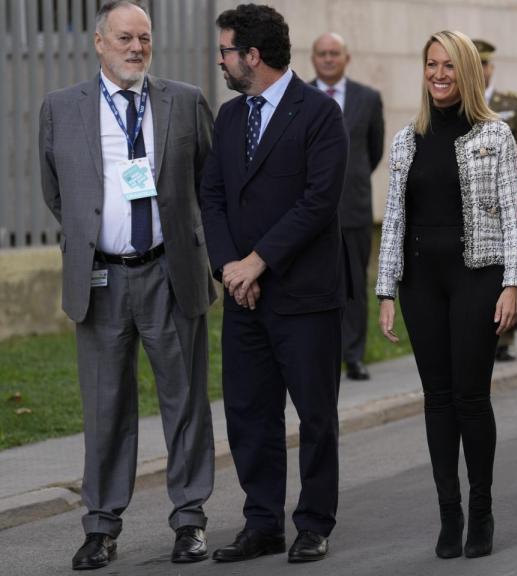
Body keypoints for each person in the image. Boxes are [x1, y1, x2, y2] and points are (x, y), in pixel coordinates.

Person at [39, 1, 216, 569]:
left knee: (185, 402)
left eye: (144, 37)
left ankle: (189, 520)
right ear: (99, 42)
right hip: (101, 279)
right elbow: (55, 191)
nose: (136, 48)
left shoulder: (185, 101)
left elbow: (209, 183)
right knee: (105, 406)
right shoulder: (60, 107)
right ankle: (100, 526)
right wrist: (97, 237)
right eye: (124, 38)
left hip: (172, 273)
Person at [200, 4, 349, 564]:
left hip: (304, 296)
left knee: (315, 416)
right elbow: (212, 197)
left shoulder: (319, 113)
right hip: (244, 297)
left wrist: (257, 262)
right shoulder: (229, 117)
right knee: (248, 415)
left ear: (252, 56)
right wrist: (229, 267)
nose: (221, 61)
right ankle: (262, 523)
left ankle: (313, 522)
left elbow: (318, 202)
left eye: (225, 51)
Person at [376, 29, 517, 560]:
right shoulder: (406, 139)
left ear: (466, 71)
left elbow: (515, 214)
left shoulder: (496, 134)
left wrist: (513, 283)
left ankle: (481, 510)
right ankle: (450, 513)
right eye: (431, 65)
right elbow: (394, 219)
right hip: (421, 282)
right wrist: (386, 290)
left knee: (471, 397)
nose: (439, 75)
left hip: (476, 276)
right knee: (437, 398)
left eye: (448, 66)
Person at [311, 32, 385, 381]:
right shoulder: (300, 96)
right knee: (315, 284)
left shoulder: (368, 99)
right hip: (310, 210)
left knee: (354, 283)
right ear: (313, 58)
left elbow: (374, 151)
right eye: (322, 53)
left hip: (353, 207)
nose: (328, 59)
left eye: (334, 53)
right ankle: (320, 355)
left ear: (346, 58)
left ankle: (353, 355)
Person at [473, 38, 517, 363]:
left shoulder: (511, 104)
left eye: (484, 63)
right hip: (472, 202)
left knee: (505, 266)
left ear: (491, 67)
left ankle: (504, 337)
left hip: (504, 199)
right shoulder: (458, 102)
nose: (480, 70)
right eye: (474, 63)